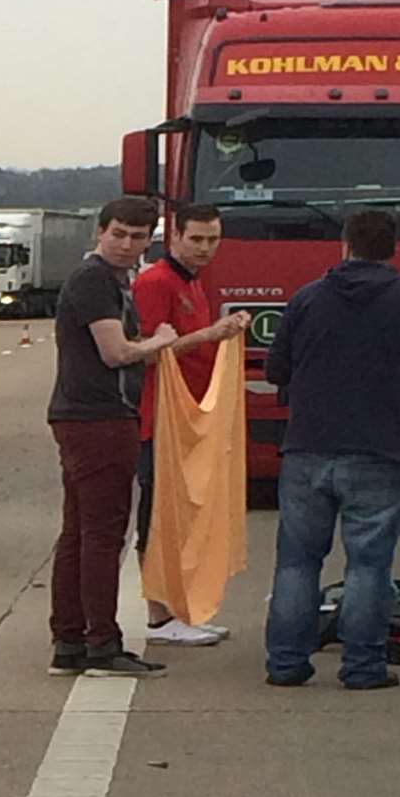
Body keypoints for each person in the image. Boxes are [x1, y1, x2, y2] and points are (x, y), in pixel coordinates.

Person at [263, 209, 400, 689]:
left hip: (307, 447)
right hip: (378, 447)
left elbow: (274, 371)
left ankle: (286, 664)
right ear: (393, 249)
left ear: (343, 245)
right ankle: (363, 668)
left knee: (297, 561)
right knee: (369, 563)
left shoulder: (307, 299)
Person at [47, 197, 184, 679]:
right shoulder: (94, 281)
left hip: (85, 416)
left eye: (138, 237)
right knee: (103, 534)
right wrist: (158, 342)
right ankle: (101, 642)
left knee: (80, 531)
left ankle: (70, 639)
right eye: (119, 234)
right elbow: (115, 352)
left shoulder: (110, 282)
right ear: (99, 232)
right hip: (99, 417)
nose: (127, 245)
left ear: (150, 241)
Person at [131, 202, 250, 645]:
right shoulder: (157, 282)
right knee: (162, 513)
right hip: (159, 415)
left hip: (188, 415)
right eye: (196, 239)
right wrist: (209, 335)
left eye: (212, 240)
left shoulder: (193, 283)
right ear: (174, 237)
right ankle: (160, 616)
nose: (204, 248)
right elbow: (148, 348)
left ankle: (179, 608)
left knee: (184, 513)